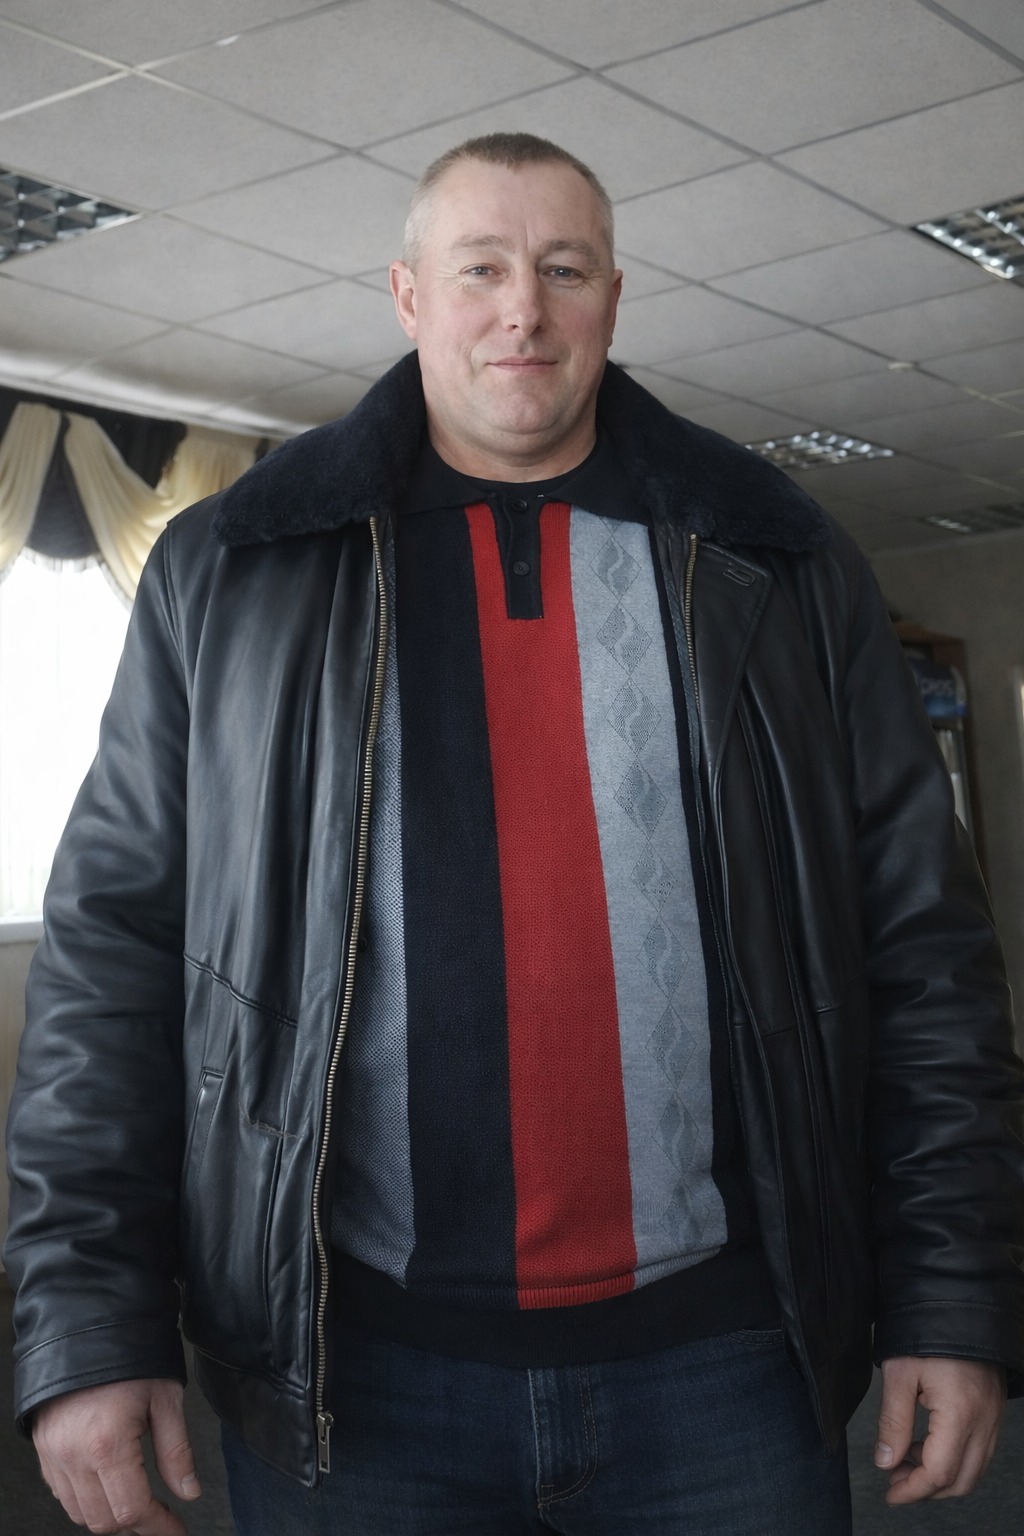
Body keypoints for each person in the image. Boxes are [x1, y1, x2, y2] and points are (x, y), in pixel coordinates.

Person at [5, 132, 1023, 1536]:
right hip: (354, 1380)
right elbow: (111, 962)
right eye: (480, 268)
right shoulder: (232, 575)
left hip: (726, 1363)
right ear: (409, 295)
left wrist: (951, 1293)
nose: (523, 310)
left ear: (613, 296)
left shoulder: (781, 562)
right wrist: (89, 1323)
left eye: (564, 269)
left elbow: (924, 953)